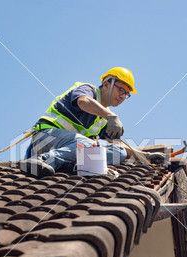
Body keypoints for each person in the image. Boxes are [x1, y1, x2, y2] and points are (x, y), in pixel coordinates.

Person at [20, 67, 166, 177]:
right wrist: (110, 116)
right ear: (107, 83)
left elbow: (116, 144)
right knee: (86, 145)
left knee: (119, 152)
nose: (123, 96)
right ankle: (42, 161)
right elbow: (83, 101)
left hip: (69, 148)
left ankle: (74, 167)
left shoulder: (102, 119)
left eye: (126, 94)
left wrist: (144, 156)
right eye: (121, 89)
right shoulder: (88, 90)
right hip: (45, 138)